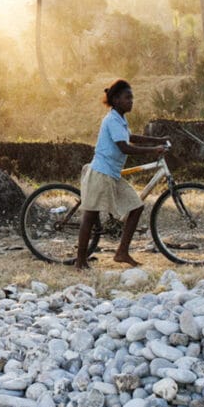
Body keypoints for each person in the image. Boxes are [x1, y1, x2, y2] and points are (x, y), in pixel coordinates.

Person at [74, 79, 171, 270]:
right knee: (90, 217)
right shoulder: (111, 119)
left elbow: (131, 137)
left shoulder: (120, 119)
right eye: (127, 98)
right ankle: (80, 262)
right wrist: (153, 150)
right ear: (116, 99)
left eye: (132, 97)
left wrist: (157, 140)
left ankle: (122, 252)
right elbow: (124, 147)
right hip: (101, 173)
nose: (131, 101)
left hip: (112, 175)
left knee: (136, 207)